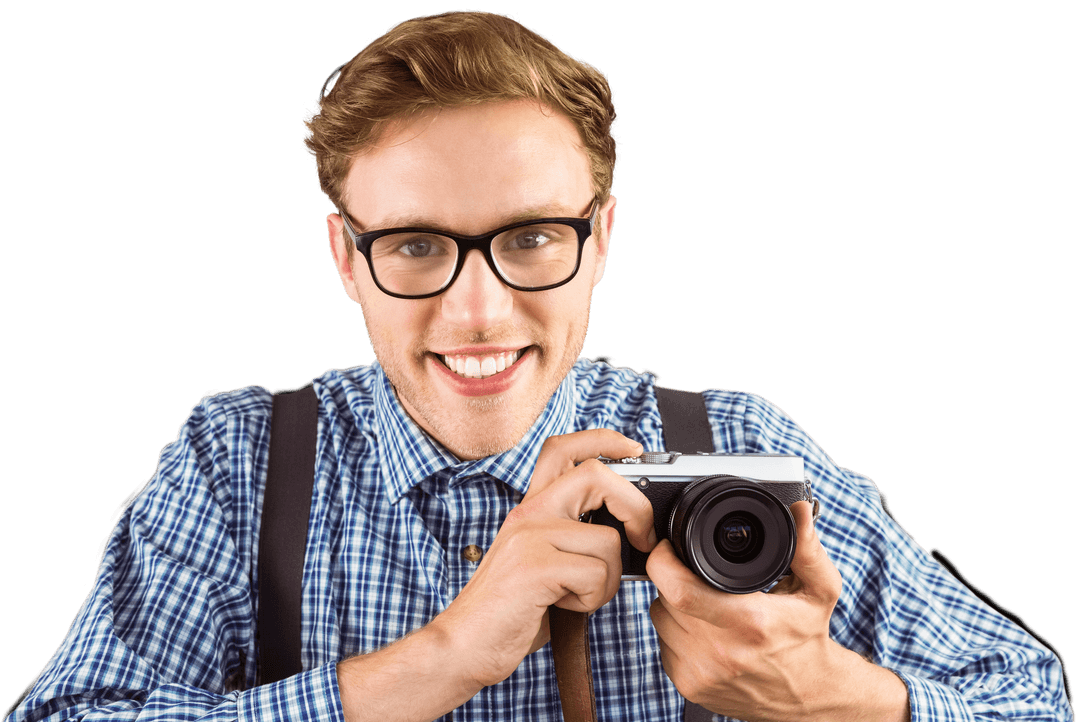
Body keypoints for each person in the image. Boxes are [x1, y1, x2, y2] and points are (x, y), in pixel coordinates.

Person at [5, 10, 1071, 722]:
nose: (479, 311)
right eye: (417, 244)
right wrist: (446, 654)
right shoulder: (238, 464)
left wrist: (831, 691)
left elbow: (1032, 694)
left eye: (529, 239)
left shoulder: (734, 446)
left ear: (598, 240)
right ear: (347, 258)